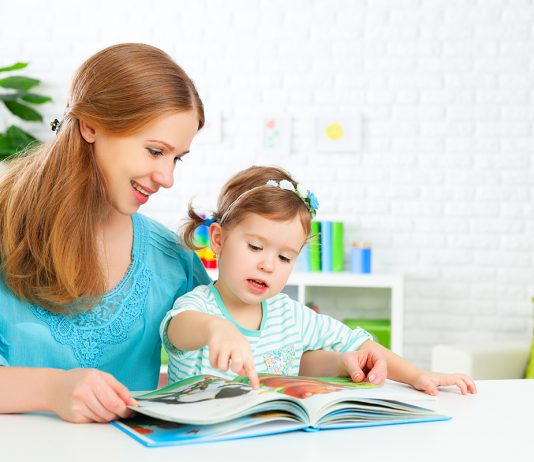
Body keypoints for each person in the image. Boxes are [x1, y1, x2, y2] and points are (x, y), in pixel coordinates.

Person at [0, 43, 211, 423]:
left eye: (176, 158)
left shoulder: (173, 261)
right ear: (90, 126)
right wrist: (50, 390)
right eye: (155, 151)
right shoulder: (5, 227)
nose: (167, 178)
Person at [162, 166, 477, 396]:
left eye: (285, 257)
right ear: (218, 239)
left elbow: (357, 343)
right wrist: (216, 329)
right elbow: (178, 330)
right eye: (255, 247)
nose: (268, 265)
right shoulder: (198, 307)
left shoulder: (290, 315)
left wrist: (417, 375)